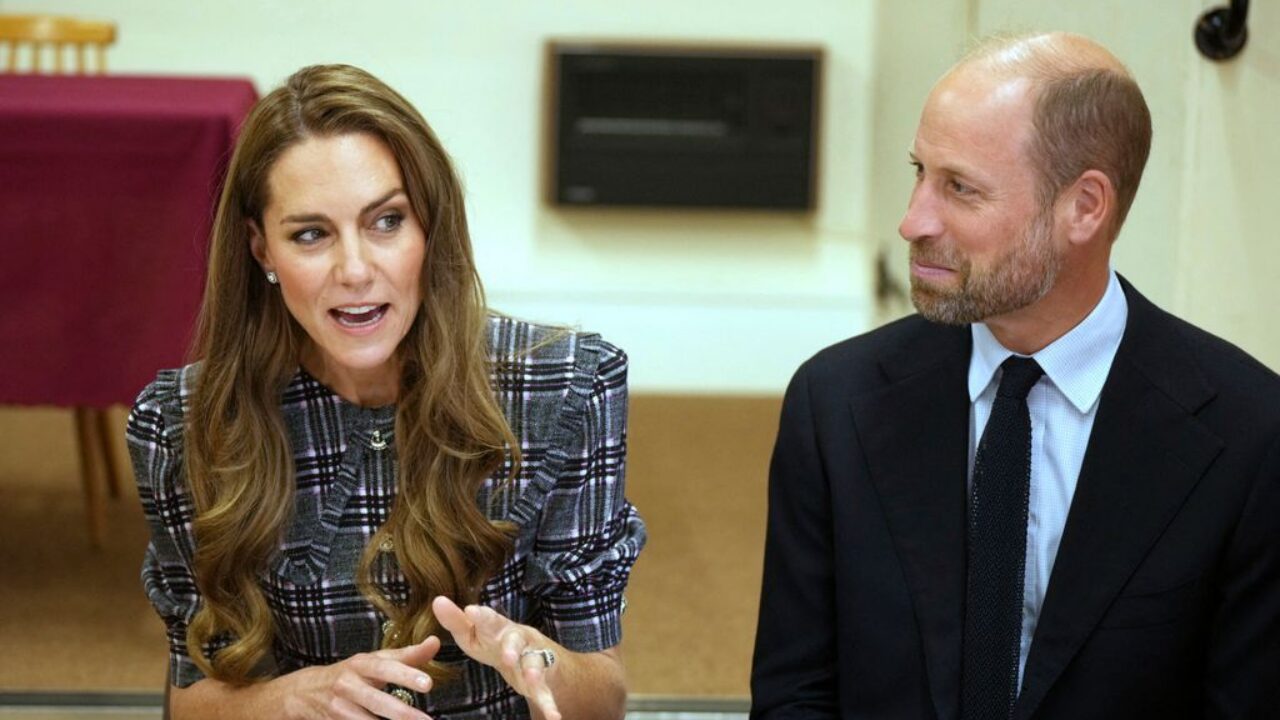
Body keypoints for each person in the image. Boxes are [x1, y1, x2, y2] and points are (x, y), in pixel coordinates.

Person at [751, 32, 1280, 719]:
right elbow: (796, 694)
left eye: (960, 188)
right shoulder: (836, 402)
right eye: (920, 171)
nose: (913, 220)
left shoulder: (1249, 436)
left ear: (1085, 207)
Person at [126, 64, 645, 720]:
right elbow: (191, 703)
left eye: (386, 222)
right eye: (310, 234)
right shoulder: (182, 424)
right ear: (262, 249)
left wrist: (535, 658)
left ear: (429, 226)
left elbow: (605, 697)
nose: (355, 271)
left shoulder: (566, 387)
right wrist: (293, 699)